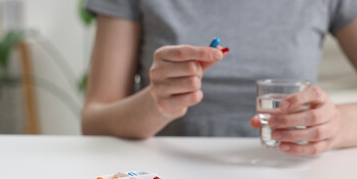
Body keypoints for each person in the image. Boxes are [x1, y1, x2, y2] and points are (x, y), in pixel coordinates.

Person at [82, 0, 357, 156]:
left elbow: (338, 126)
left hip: (293, 178)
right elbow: (94, 121)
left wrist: (336, 125)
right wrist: (155, 103)